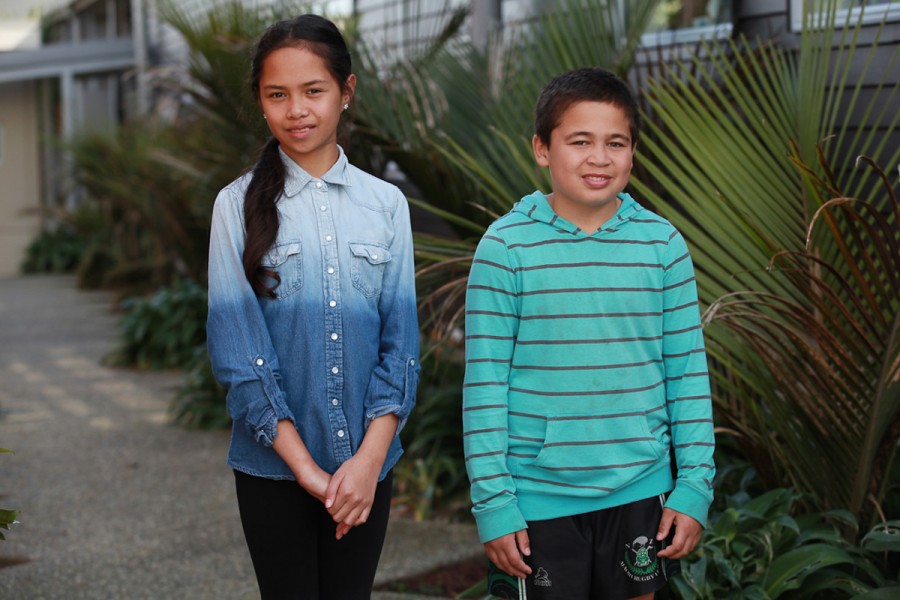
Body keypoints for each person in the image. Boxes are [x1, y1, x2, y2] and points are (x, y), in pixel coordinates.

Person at [462, 67, 715, 599]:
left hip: (640, 491)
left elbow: (687, 375)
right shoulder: (506, 249)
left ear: (632, 152)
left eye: (615, 143)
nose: (599, 158)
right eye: (580, 141)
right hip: (538, 498)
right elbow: (485, 385)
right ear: (541, 149)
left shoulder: (662, 246)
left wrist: (693, 486)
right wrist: (494, 503)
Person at [206, 14, 420, 599]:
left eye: (313, 91)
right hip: (274, 470)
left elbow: (400, 349)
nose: (296, 109)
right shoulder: (234, 207)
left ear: (346, 93)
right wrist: (309, 471)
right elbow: (239, 355)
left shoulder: (387, 205)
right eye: (278, 94)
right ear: (261, 101)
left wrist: (367, 462)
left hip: (367, 467)